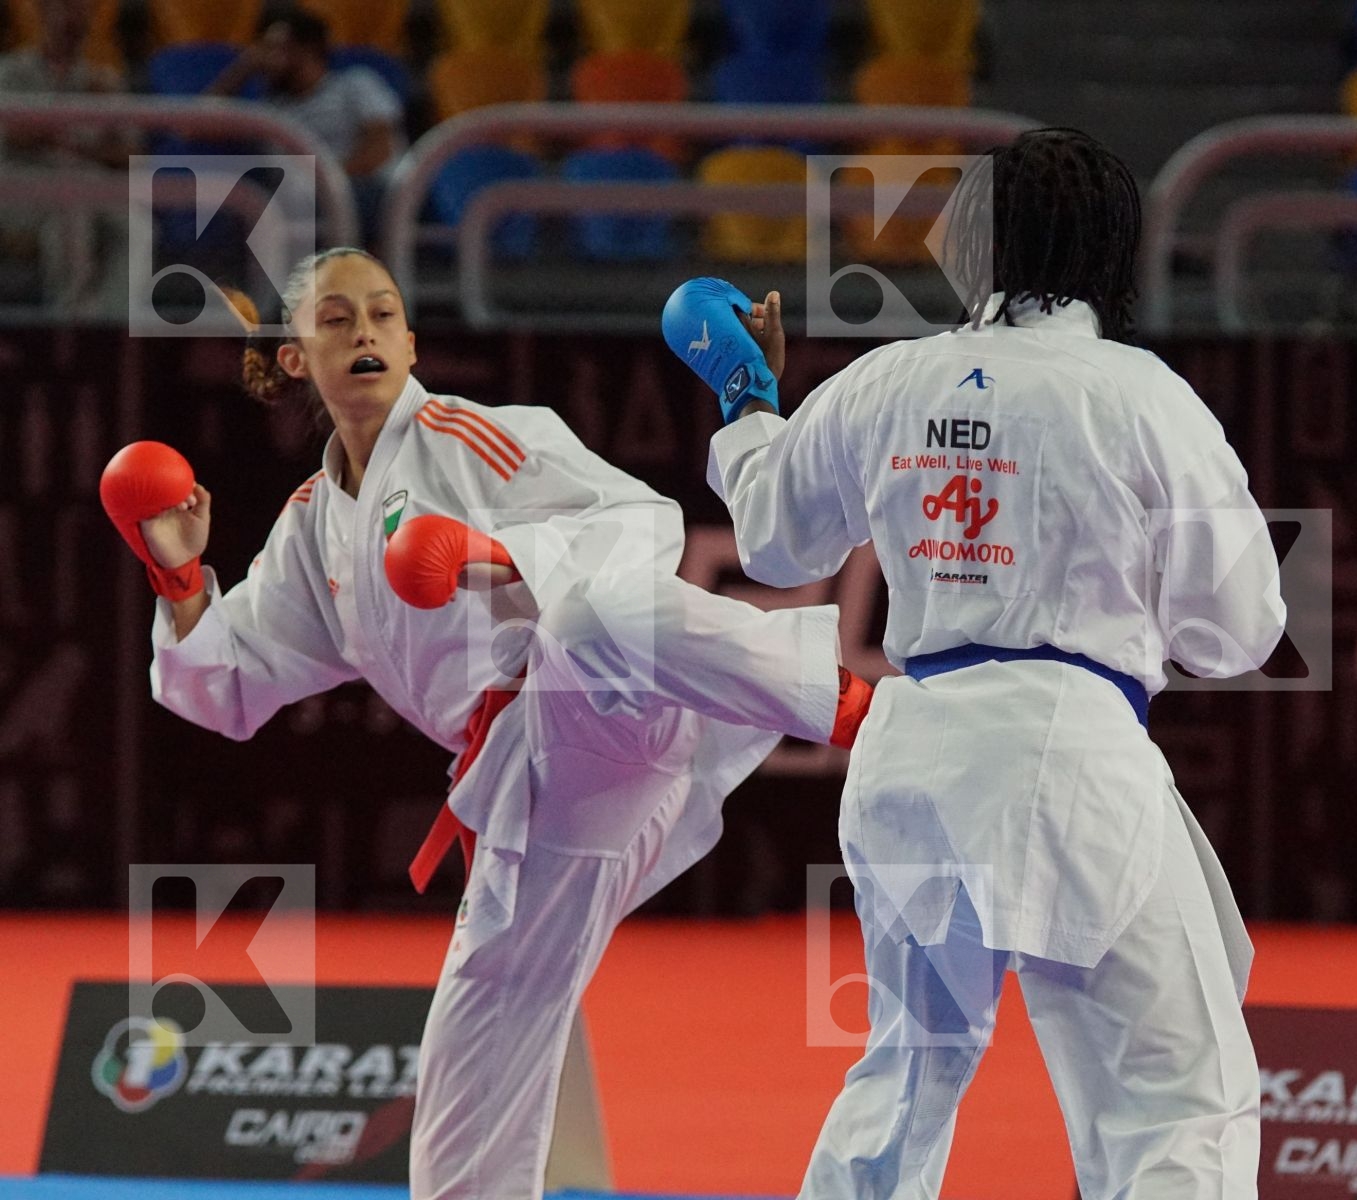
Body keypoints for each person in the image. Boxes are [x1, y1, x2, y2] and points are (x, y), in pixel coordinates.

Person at [99, 247, 872, 1200]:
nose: (366, 333)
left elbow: (640, 525)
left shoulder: (468, 436)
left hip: (608, 704)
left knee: (593, 612)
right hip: (533, 798)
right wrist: (178, 579)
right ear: (296, 358)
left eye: (384, 314)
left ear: (413, 340)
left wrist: (496, 553)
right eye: (337, 320)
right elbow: (228, 685)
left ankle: (852, 709)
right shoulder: (313, 526)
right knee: (472, 1072)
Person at [662, 128, 1287, 1198]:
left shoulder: (890, 378)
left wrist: (746, 397)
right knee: (1176, 1099)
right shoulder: (1139, 395)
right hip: (1068, 755)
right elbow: (1237, 629)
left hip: (915, 752)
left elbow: (772, 541)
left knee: (908, 1075)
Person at [209, 8, 404, 243]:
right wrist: (242, 68)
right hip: (295, 200)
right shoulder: (269, 111)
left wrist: (325, 186)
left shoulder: (355, 84)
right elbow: (194, 126)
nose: (264, 57)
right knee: (243, 198)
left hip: (362, 189)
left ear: (306, 50)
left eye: (273, 48)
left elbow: (379, 151)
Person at [0, 0, 132, 314]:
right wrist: (79, 131)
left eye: (82, 9)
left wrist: (61, 137)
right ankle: (73, 322)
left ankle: (118, 324)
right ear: (43, 12)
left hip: (88, 185)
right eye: (65, 7)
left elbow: (130, 154)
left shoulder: (103, 82)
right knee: (71, 211)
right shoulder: (11, 71)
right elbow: (16, 136)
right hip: (23, 189)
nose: (73, 17)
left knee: (136, 224)